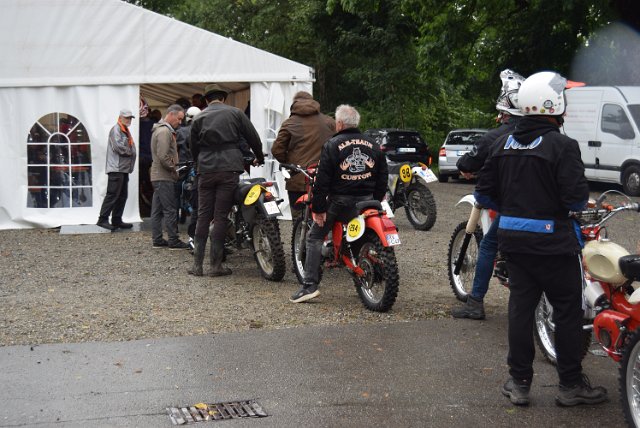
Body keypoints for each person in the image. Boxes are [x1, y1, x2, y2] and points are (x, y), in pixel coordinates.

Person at [474, 71, 608, 407]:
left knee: (520, 310)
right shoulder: (563, 146)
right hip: (555, 246)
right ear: (553, 104)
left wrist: (513, 208)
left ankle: (519, 383)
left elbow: (484, 195)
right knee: (567, 312)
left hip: (513, 244)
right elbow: (576, 200)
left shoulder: (501, 145)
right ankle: (570, 385)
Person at [290, 105, 388, 303]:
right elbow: (382, 176)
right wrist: (375, 200)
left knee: (314, 236)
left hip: (341, 203)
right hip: (368, 202)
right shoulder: (373, 144)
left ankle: (309, 286)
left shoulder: (332, 145)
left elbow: (322, 182)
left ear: (340, 124)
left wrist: (318, 209)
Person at [451, 69, 525, 320]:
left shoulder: (496, 137)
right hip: (546, 206)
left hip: (512, 206)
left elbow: (468, 162)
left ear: (504, 109)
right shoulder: (548, 135)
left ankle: (475, 303)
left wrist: (466, 168)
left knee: (489, 245)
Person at [189, 83, 265, 276]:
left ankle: (197, 266)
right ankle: (215, 266)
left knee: (203, 215)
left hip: (206, 169)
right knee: (221, 215)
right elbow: (253, 137)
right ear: (223, 98)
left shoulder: (198, 117)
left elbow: (193, 146)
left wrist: (199, 163)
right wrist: (259, 157)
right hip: (229, 168)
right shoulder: (235, 113)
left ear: (207, 100)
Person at [272, 91, 336, 218]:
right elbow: (338, 146)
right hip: (325, 178)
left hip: (298, 178)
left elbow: (277, 150)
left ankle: (300, 230)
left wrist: (290, 163)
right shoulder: (330, 122)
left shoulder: (290, 123)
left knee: (300, 219)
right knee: (325, 217)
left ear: (294, 103)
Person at [149, 104, 189, 249]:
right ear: (171, 115)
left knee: (157, 209)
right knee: (170, 209)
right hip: (164, 176)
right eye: (179, 118)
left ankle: (157, 239)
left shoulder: (159, 130)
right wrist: (174, 169)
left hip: (158, 175)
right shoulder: (165, 131)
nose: (180, 122)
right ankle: (173, 240)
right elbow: (163, 156)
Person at [96, 108, 137, 230]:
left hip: (123, 169)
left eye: (130, 118)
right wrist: (131, 152)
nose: (129, 120)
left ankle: (116, 220)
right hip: (116, 168)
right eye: (126, 118)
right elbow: (118, 147)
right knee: (112, 194)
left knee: (122, 196)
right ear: (120, 118)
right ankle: (102, 219)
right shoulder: (116, 129)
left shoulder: (124, 130)